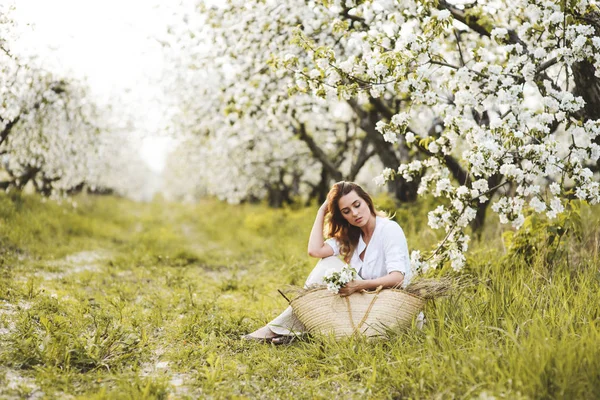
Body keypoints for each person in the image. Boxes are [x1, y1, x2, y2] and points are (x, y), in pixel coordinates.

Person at [243, 181, 412, 344]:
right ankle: (296, 330)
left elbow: (398, 278)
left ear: (367, 201)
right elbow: (315, 251)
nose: (354, 213)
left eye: (357, 205)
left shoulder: (389, 229)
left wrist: (358, 285)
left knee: (329, 266)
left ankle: (276, 329)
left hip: (386, 307)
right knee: (327, 263)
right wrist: (322, 211)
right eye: (346, 211)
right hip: (361, 305)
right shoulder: (353, 235)